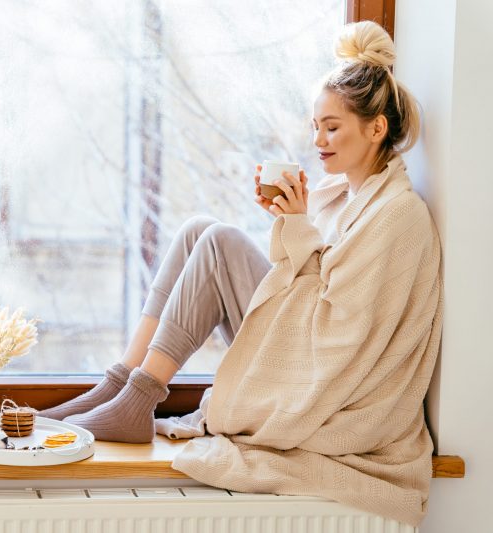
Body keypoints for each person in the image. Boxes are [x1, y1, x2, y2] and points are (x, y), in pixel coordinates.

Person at [40, 21, 442, 527]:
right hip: (303, 346)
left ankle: (137, 400)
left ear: (376, 128)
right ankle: (120, 387)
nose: (317, 139)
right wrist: (288, 220)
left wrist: (295, 227)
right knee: (198, 229)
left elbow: (343, 331)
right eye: (314, 124)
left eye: (332, 127)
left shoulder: (398, 215)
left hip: (326, 380)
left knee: (220, 241)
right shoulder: (346, 195)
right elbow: (304, 278)